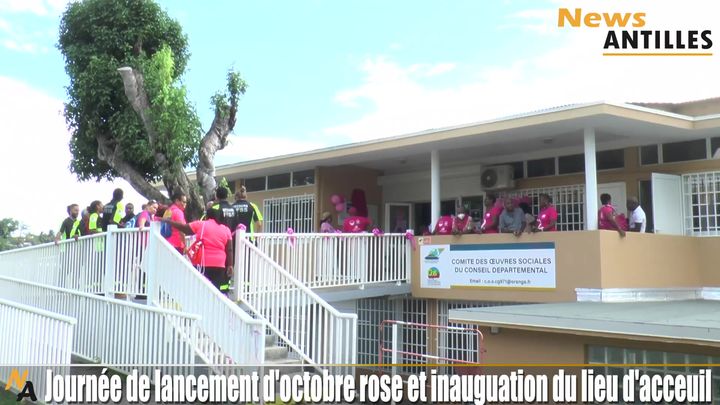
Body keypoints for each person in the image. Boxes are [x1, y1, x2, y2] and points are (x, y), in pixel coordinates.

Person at [162, 206, 233, 294]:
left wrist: (169, 221)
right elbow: (229, 249)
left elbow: (184, 228)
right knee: (217, 290)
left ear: (207, 216)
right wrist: (230, 265)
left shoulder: (201, 224)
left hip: (202, 262)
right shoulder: (226, 229)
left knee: (200, 289)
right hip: (219, 264)